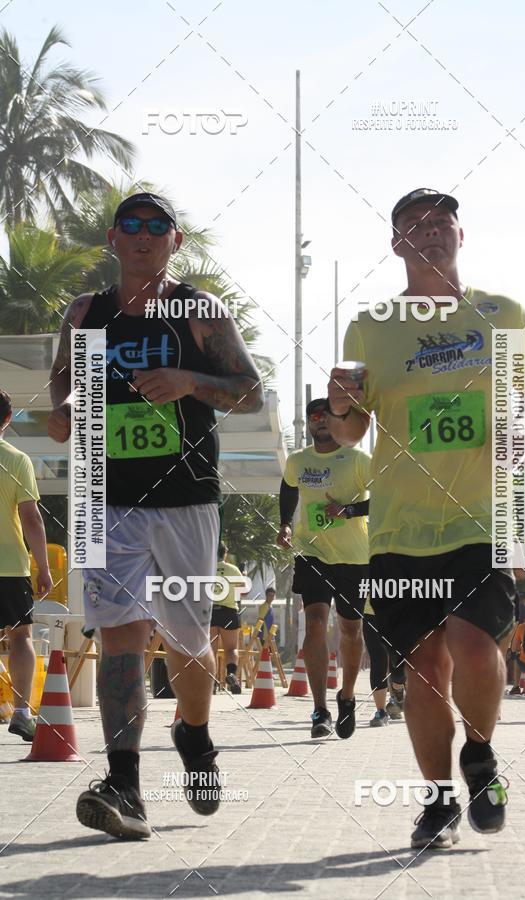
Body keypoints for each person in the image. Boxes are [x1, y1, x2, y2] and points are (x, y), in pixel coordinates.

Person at [328, 187, 525, 848]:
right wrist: (342, 406)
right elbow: (349, 435)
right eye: (414, 226)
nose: (429, 233)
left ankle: (480, 755)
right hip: (400, 525)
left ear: (462, 236)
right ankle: (437, 801)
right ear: (396, 244)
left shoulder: (499, 314)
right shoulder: (371, 325)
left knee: (475, 645)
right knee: (423, 669)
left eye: (441, 223)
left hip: (485, 515)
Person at [47, 192, 264, 839]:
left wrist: (188, 382)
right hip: (105, 497)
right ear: (113, 238)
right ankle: (124, 783)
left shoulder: (197, 312)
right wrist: (63, 409)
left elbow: (248, 391)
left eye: (157, 227)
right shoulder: (86, 313)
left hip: (187, 499)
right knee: (119, 636)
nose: (143, 236)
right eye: (131, 226)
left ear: (175, 241)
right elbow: (61, 378)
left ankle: (194, 735)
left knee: (187, 644)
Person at [276, 398, 371, 740]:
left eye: (325, 416)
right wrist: (286, 524)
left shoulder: (358, 459)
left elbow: (387, 495)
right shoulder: (299, 460)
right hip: (311, 551)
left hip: (354, 557)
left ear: (337, 422)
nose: (318, 422)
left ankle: (346, 695)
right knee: (314, 622)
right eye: (313, 417)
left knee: (349, 630)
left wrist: (348, 511)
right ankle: (320, 709)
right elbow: (288, 487)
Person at [0, 390, 53, 742]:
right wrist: (43, 567)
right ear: (8, 418)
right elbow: (31, 519)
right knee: (20, 636)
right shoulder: (17, 459)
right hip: (10, 566)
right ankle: (21, 712)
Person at [211, 542, 250, 694]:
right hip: (229, 612)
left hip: (210, 612)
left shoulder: (205, 569)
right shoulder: (233, 569)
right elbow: (244, 592)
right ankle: (231, 674)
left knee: (210, 650)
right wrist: (244, 577)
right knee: (231, 648)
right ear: (225, 553)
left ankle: (211, 681)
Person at [362, 595, 406, 726]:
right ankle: (380, 712)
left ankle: (398, 689)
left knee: (399, 657)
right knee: (378, 659)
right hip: (371, 611)